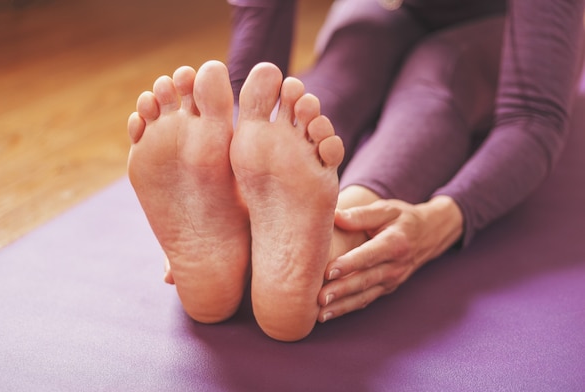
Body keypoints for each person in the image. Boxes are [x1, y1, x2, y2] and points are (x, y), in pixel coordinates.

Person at [127, 0, 585, 342]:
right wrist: (228, 172)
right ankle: (262, 225)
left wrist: (442, 219)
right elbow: (261, 31)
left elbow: (532, 115)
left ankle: (340, 229)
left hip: (503, 28)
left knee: (440, 69)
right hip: (384, 10)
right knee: (350, 59)